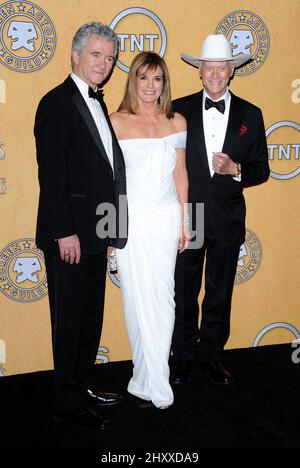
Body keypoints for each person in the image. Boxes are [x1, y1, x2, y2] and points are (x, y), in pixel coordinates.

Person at [34, 22, 127, 429]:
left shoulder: (97, 102)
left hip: (96, 234)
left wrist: (112, 231)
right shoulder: (56, 103)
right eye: (96, 55)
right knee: (70, 321)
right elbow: (52, 176)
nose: (103, 64)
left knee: (90, 317)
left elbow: (107, 173)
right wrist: (63, 232)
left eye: (109, 58)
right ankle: (66, 402)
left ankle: (83, 382)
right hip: (69, 236)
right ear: (74, 55)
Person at [171, 34, 270, 386]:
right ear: (199, 71)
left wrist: (237, 170)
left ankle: (211, 356)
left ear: (232, 72)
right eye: (208, 67)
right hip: (189, 216)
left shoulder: (251, 114)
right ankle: (181, 356)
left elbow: (262, 169)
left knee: (219, 293)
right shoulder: (177, 108)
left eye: (221, 68)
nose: (214, 74)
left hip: (227, 218)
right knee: (184, 291)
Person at [110, 52, 189, 409]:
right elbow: (109, 182)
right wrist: (109, 231)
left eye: (157, 79)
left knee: (165, 301)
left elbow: (182, 176)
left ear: (164, 84)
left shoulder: (178, 121)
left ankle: (152, 378)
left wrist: (189, 224)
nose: (150, 86)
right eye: (144, 78)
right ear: (133, 81)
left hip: (166, 219)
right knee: (135, 303)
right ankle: (146, 379)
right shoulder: (115, 122)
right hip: (130, 221)